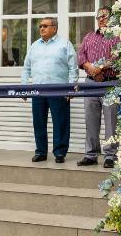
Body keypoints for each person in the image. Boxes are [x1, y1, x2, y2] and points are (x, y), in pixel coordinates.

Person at [21, 17, 78, 164]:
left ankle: (59, 153)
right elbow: (26, 68)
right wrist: (24, 86)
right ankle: (41, 152)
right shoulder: (34, 46)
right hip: (38, 90)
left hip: (59, 90)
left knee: (60, 122)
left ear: (54, 28)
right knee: (39, 122)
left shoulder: (65, 44)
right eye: (40, 26)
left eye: (45, 26)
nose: (41, 28)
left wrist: (71, 88)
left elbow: (73, 68)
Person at [76, 7, 119, 168]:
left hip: (110, 83)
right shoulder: (89, 36)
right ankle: (91, 154)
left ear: (112, 18)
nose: (101, 19)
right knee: (91, 120)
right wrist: (92, 70)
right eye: (98, 16)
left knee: (111, 121)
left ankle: (110, 156)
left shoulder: (118, 36)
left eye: (104, 16)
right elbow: (81, 56)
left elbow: (118, 56)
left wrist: (99, 68)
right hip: (91, 84)